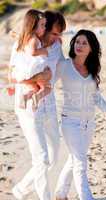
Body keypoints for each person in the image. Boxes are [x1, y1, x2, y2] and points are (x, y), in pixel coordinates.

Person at [54, 29, 106, 200]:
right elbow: (48, 81)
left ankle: (60, 193)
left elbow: (95, 96)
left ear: (91, 48)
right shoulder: (64, 66)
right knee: (80, 164)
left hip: (89, 124)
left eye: (84, 43)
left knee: (74, 159)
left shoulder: (91, 69)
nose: (79, 45)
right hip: (70, 123)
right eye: (77, 42)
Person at [9, 10, 66, 200]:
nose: (59, 39)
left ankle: (21, 190)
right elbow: (13, 74)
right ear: (42, 29)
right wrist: (37, 78)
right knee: (41, 158)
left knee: (53, 156)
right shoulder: (23, 44)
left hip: (49, 103)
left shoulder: (57, 47)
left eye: (60, 34)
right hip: (28, 106)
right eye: (55, 33)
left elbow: (61, 69)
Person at [10, 9, 51, 110]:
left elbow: (20, 39)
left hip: (26, 71)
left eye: (45, 25)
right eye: (42, 25)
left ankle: (26, 98)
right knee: (47, 88)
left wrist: (15, 34)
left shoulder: (26, 37)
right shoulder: (33, 38)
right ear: (33, 25)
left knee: (34, 88)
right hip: (34, 69)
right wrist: (44, 51)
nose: (44, 28)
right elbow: (32, 52)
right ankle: (36, 98)